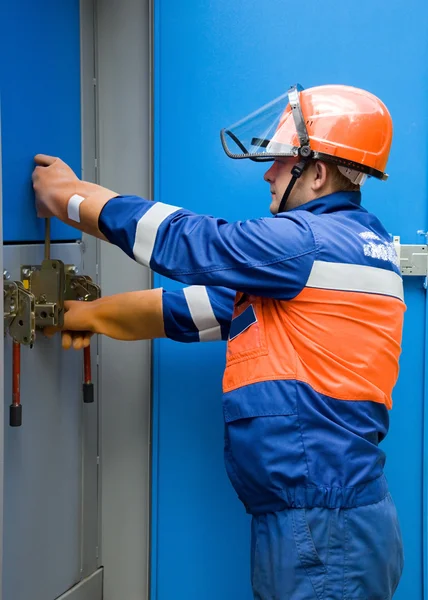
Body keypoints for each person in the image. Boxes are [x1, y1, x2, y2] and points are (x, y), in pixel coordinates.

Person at [33, 84, 405, 600]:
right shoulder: (342, 250)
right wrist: (90, 315)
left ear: (317, 173)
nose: (268, 173)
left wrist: (71, 198)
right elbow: (193, 311)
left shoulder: (308, 244)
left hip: (324, 525)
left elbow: (195, 243)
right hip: (323, 520)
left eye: (280, 161)